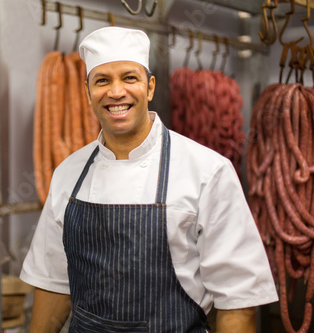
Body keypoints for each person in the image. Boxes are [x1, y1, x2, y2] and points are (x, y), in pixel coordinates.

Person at [20, 26, 278, 332]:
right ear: (88, 92)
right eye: (102, 80)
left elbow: (238, 302)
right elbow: (52, 282)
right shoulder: (68, 172)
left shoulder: (208, 171)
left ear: (150, 87)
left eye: (129, 77)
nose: (116, 92)